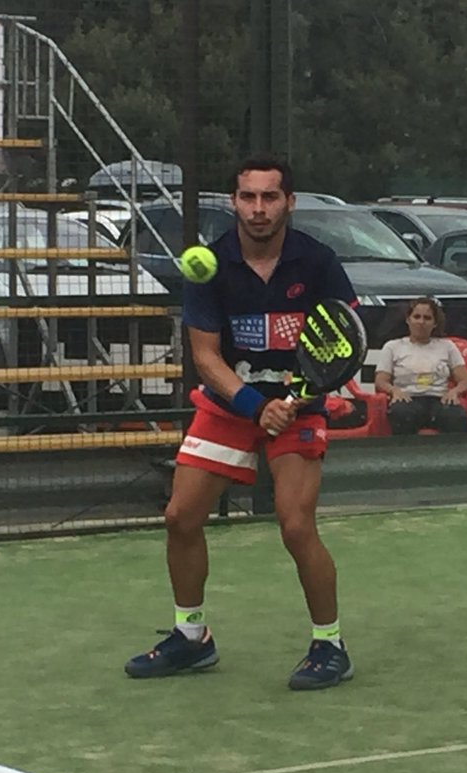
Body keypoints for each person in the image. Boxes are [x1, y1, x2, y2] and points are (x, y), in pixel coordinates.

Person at [124, 157, 356, 691]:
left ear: (289, 203)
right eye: (248, 197)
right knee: (180, 517)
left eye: (269, 197)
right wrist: (255, 405)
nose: (258, 208)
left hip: (299, 409)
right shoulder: (211, 266)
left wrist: (301, 394)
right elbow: (205, 357)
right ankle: (192, 637)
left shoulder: (318, 262)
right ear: (233, 202)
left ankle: (330, 645)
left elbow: (344, 336)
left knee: (295, 525)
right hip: (231, 406)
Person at [374, 297, 467, 434]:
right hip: (407, 399)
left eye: (427, 318)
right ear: (408, 319)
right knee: (401, 414)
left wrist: (454, 392)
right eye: (416, 317)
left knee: (457, 417)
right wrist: (394, 391)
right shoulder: (392, 347)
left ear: (435, 323)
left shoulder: (447, 346)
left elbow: (466, 381)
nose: (421, 322)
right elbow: (380, 381)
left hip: (439, 399)